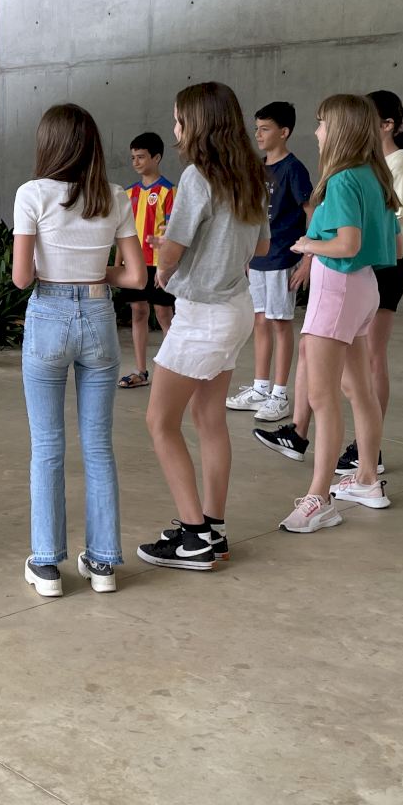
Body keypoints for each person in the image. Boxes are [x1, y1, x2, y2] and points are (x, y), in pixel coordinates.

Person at [13, 105, 147, 597]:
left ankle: (47, 564)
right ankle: (104, 563)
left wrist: (60, 270)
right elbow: (136, 276)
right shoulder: (115, 195)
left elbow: (21, 277)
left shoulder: (32, 194)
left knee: (47, 446)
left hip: (48, 314)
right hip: (98, 316)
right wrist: (94, 272)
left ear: (48, 144)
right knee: (98, 446)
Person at [136, 82, 270, 571]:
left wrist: (163, 261)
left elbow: (172, 250)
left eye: (179, 119)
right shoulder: (251, 174)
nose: (175, 128)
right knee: (209, 419)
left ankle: (193, 538)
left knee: (160, 421)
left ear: (198, 124)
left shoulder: (197, 176)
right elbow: (260, 247)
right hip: (235, 306)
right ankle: (213, 527)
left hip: (202, 315)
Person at [279, 95, 401, 533]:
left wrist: (309, 245)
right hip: (364, 287)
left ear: (340, 130)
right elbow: (394, 246)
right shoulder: (375, 175)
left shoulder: (345, 178)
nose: (316, 132)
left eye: (322, 123)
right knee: (357, 389)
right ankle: (367, 478)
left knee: (322, 396)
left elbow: (347, 244)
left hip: (337, 287)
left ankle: (319, 498)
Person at [334, 89, 403, 475]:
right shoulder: (376, 164)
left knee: (372, 358)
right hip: (370, 265)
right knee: (360, 359)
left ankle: (370, 448)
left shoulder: (399, 165)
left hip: (386, 266)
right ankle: (366, 445)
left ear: (386, 125)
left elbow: (388, 226)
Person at [226, 102, 313, 423]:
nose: (258, 135)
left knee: (279, 323)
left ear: (284, 132)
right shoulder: (257, 168)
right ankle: (261, 388)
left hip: (283, 259)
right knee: (260, 321)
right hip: (258, 259)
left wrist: (307, 259)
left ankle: (279, 394)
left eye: (265, 129)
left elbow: (312, 213)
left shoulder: (294, 169)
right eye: (257, 129)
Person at [115, 132, 176, 389]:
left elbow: (173, 234)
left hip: (159, 264)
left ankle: (174, 369)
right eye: (133, 158)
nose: (136, 162)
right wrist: (118, 263)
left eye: (141, 157)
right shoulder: (128, 193)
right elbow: (121, 233)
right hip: (134, 263)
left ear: (156, 157)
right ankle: (141, 371)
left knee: (164, 314)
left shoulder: (169, 191)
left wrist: (167, 266)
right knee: (138, 312)